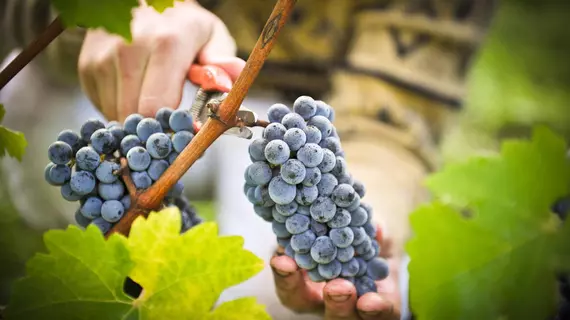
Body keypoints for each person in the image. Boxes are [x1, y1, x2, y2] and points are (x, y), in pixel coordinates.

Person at [0, 0, 497, 319]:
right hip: (130, 91)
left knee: (281, 295)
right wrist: (107, 15)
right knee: (42, 124)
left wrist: (369, 216)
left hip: (302, 127)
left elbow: (390, 127)